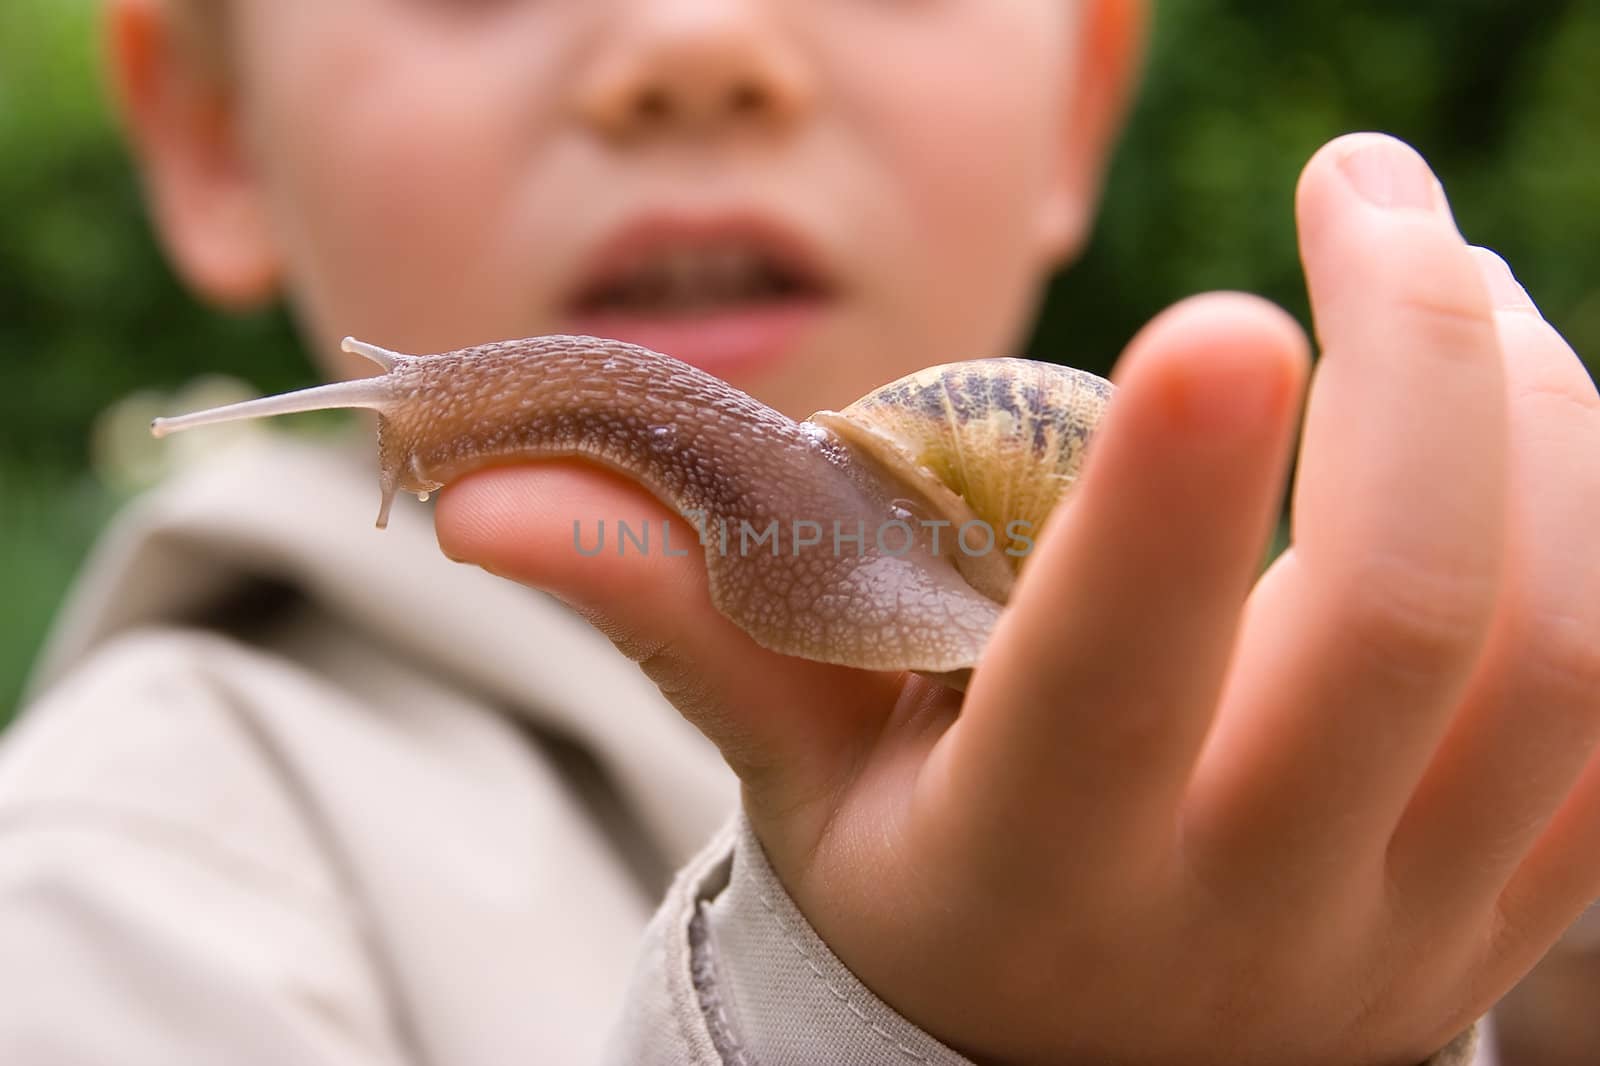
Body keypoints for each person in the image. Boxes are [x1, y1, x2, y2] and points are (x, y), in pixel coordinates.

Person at [3, 0, 1597, 1063]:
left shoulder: (1288, 793)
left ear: (1080, 107)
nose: (698, 44)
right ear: (216, 131)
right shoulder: (112, 889)